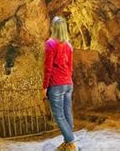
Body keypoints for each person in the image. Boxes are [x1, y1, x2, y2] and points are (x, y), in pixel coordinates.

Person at [43, 16, 76, 151]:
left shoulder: (50, 44)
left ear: (53, 28)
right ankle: (68, 143)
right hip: (68, 83)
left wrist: (45, 86)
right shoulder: (69, 45)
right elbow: (70, 67)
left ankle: (70, 141)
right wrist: (68, 81)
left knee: (59, 115)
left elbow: (48, 67)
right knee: (67, 112)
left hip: (56, 84)